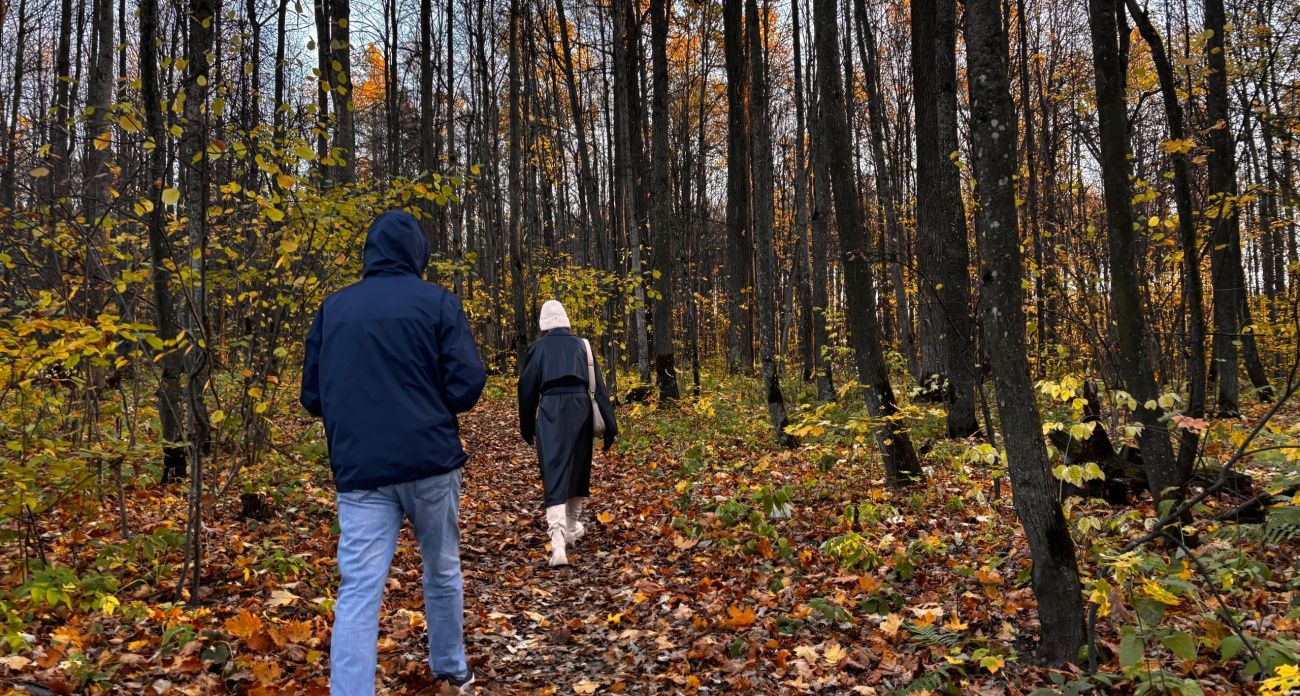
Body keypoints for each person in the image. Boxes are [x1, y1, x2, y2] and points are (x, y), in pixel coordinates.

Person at [300, 209, 486, 696]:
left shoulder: (333, 309)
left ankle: (351, 690)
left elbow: (313, 397)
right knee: (441, 568)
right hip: (430, 461)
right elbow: (467, 386)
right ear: (417, 252)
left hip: (361, 470)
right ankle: (451, 669)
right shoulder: (437, 303)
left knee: (360, 588)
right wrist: (425, 403)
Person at [517, 300, 617, 566]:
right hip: (580, 407)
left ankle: (558, 540)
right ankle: (571, 526)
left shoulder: (537, 349)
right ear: (565, 321)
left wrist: (526, 425)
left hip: (551, 407)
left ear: (543, 325)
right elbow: (600, 388)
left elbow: (526, 390)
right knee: (578, 466)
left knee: (554, 469)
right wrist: (610, 427)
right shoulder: (581, 345)